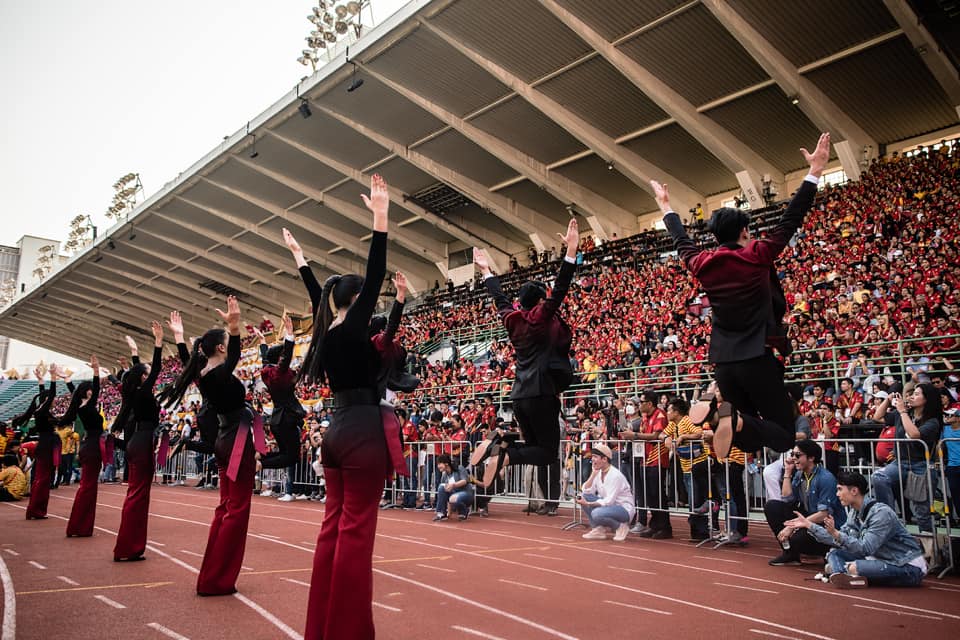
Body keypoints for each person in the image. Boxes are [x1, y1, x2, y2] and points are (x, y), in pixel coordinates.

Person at [653, 132, 832, 458]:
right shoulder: (757, 254)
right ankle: (729, 417)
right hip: (757, 358)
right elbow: (791, 219)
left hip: (723, 363)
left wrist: (667, 208)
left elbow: (681, 241)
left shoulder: (702, 263)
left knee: (747, 441)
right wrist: (814, 171)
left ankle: (726, 416)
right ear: (746, 232)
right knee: (782, 437)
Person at [292, 174, 390, 640]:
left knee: (332, 529)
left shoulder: (327, 331)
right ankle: (348, 632)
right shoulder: (354, 329)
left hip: (335, 430)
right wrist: (380, 218)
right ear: (358, 300)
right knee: (355, 535)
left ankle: (322, 628)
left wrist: (300, 261)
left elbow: (319, 297)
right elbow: (376, 273)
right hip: (364, 430)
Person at [470, 217, 580, 518]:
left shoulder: (512, 319)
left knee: (535, 448)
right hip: (542, 392)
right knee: (546, 454)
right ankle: (505, 452)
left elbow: (499, 298)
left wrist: (486, 271)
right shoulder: (540, 317)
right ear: (539, 300)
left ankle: (502, 442)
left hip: (519, 394)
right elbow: (560, 290)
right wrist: (571, 252)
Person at [162, 297, 262, 596]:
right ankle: (219, 578)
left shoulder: (202, 374)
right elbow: (233, 357)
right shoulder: (218, 373)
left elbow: (188, 361)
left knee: (226, 506)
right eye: (228, 342)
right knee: (237, 508)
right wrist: (233, 327)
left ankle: (212, 575)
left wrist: (180, 339)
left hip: (224, 438)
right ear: (221, 347)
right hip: (235, 440)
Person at [785, 471, 927, 588]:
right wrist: (809, 525)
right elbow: (837, 539)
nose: (837, 494)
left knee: (855, 567)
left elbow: (865, 548)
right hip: (879, 558)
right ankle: (844, 576)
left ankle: (844, 572)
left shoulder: (881, 514)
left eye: (840, 489)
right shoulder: (854, 512)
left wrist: (836, 534)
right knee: (834, 554)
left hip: (906, 565)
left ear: (854, 491)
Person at [112, 321, 164, 561]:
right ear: (143, 377)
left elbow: (141, 374)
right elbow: (154, 371)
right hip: (143, 441)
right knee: (139, 495)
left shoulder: (133, 393)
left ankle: (129, 545)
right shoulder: (142, 393)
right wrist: (158, 343)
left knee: (136, 494)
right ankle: (128, 547)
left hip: (137, 441)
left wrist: (135, 353)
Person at [870, 384, 941, 532]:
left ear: (927, 399)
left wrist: (902, 411)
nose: (911, 397)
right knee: (879, 477)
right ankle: (888, 518)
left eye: (916, 394)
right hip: (900, 462)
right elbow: (877, 417)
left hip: (921, 465)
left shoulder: (932, 421)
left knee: (922, 511)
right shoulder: (902, 414)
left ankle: (928, 547)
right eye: (912, 394)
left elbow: (915, 435)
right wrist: (887, 400)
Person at [764, 439, 846, 566]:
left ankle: (827, 551)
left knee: (798, 539)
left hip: (827, 524)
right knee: (773, 507)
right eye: (792, 454)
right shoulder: (800, 475)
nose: (794, 459)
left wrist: (793, 526)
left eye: (798, 455)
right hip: (808, 518)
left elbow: (824, 514)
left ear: (811, 458)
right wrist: (787, 472)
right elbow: (787, 499)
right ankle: (790, 553)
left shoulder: (825, 478)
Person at [59, 355, 105, 537]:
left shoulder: (80, 405)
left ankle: (79, 525)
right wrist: (95, 370)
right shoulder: (87, 405)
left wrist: (67, 379)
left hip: (88, 444)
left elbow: (74, 391)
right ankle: (80, 525)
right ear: (87, 391)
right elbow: (95, 387)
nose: (93, 391)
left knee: (87, 485)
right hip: (93, 445)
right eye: (90, 390)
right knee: (88, 486)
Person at [257, 314, 305, 471]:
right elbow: (285, 359)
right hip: (287, 418)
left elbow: (265, 358)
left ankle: (258, 458)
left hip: (277, 420)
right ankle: (259, 464)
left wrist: (263, 342)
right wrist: (289, 336)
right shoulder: (279, 373)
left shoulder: (267, 371)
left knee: (284, 454)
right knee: (292, 457)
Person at [13, 364, 61, 519]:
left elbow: (45, 396)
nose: (55, 401)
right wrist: (53, 377)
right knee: (43, 479)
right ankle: (37, 510)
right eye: (52, 400)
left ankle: (36, 509)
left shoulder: (40, 410)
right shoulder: (42, 411)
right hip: (47, 445)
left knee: (41, 478)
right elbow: (50, 395)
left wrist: (41, 381)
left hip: (44, 444)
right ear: (48, 400)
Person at [578, 443, 634, 542]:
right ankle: (598, 529)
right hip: (610, 507)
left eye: (595, 457)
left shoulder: (615, 475)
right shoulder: (598, 472)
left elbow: (609, 501)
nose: (592, 460)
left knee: (596, 513)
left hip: (623, 509)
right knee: (584, 496)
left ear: (604, 459)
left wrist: (588, 504)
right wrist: (593, 475)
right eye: (592, 457)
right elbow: (586, 490)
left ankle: (620, 526)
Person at [433, 454, 474, 521]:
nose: (438, 466)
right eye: (437, 464)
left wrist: (453, 485)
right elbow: (446, 494)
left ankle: (463, 510)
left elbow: (464, 481)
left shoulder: (459, 468)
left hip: (466, 493)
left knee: (453, 498)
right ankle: (441, 513)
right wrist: (449, 513)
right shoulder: (444, 475)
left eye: (439, 464)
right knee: (441, 487)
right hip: (454, 495)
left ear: (446, 464)